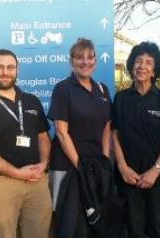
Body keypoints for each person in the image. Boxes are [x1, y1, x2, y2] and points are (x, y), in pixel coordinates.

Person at [0, 49, 52, 238]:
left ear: (17, 70)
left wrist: (44, 164)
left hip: (37, 182)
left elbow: (43, 137)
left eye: (10, 67)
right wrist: (17, 173)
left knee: (39, 234)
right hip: (0, 184)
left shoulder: (31, 101)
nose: (5, 72)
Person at [48, 38, 121, 238]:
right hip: (69, 166)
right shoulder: (63, 88)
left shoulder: (102, 89)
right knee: (70, 223)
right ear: (71, 61)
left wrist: (104, 159)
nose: (85, 62)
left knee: (96, 220)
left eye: (90, 58)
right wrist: (80, 166)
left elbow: (106, 126)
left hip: (96, 166)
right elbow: (61, 132)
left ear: (95, 61)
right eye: (79, 58)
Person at [111, 41, 160, 238]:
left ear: (154, 71)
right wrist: (122, 167)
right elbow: (114, 135)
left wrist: (154, 172)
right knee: (133, 230)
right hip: (128, 177)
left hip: (158, 178)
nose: (142, 66)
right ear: (132, 66)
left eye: (148, 62)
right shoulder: (121, 99)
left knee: (159, 230)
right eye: (139, 61)